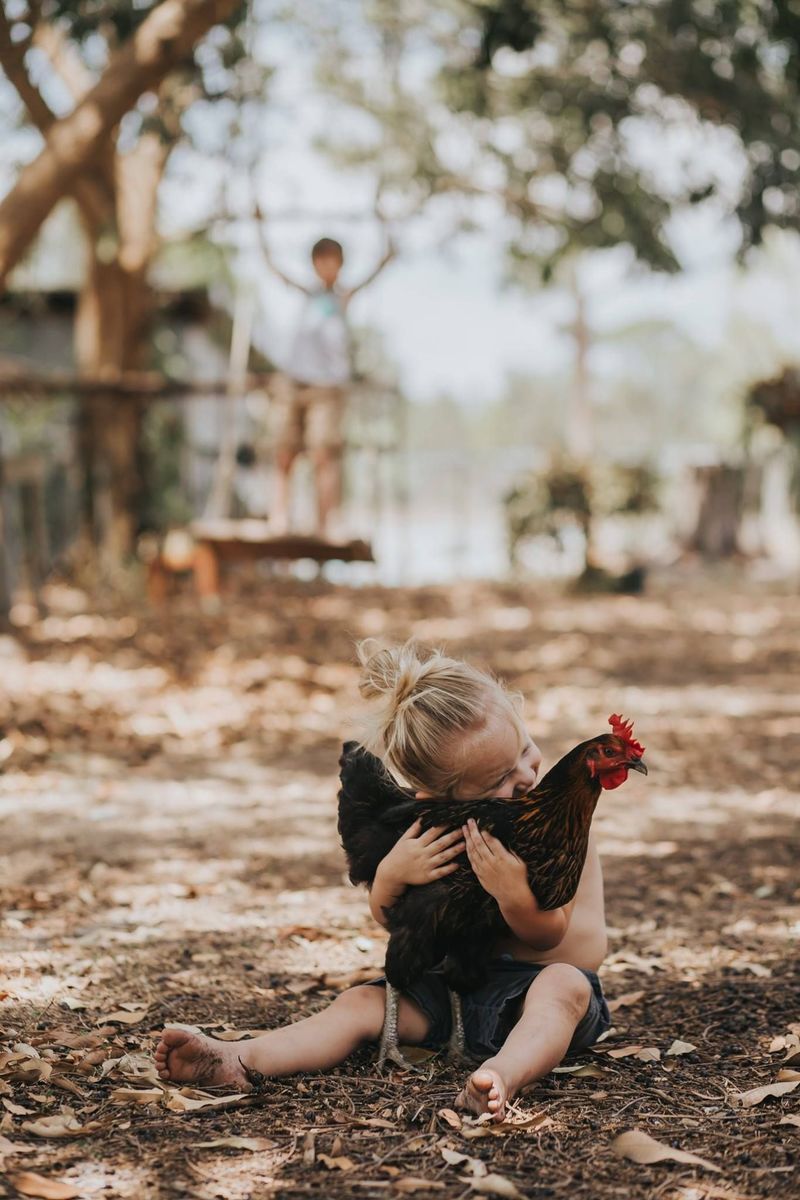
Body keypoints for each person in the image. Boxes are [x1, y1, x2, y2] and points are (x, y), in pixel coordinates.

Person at [155, 642, 610, 1122]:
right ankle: (237, 1058)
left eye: (523, 750)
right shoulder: (449, 836)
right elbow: (397, 920)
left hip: (537, 995)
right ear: (440, 799)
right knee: (359, 1003)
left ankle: (502, 1075)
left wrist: (513, 893)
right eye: (499, 776)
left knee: (562, 987)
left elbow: (550, 933)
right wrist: (393, 875)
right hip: (453, 997)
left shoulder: (562, 828)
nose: (524, 775)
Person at [263, 233, 394, 537]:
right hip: (294, 382)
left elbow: (372, 277)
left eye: (331, 260)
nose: (325, 266)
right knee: (284, 453)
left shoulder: (343, 297)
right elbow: (275, 269)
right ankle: (278, 518)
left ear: (340, 265)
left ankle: (326, 521)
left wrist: (386, 254)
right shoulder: (306, 295)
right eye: (320, 260)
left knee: (323, 454)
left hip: (328, 388)